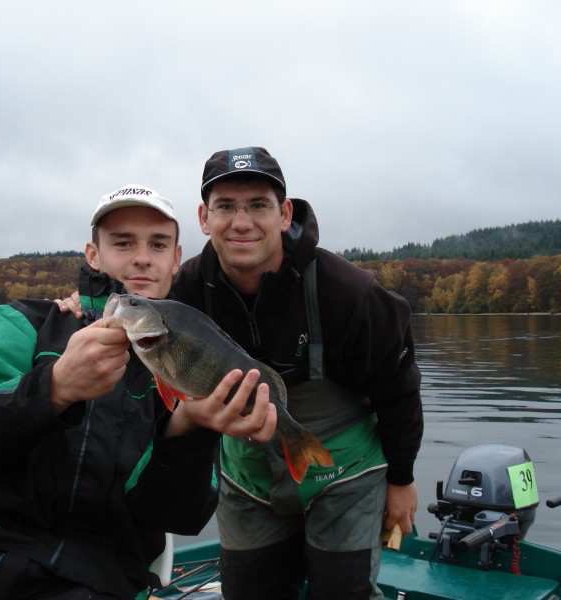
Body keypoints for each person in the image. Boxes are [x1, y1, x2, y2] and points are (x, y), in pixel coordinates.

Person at [0, 184, 276, 600]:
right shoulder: (21, 323)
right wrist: (53, 387)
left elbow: (177, 514)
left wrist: (190, 430)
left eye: (157, 245)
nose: (142, 258)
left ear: (176, 259)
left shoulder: (177, 369)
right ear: (93, 254)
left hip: (95, 576)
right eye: (122, 243)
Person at [169, 147, 423, 600]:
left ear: (284, 214)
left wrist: (401, 479)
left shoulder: (349, 292)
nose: (241, 222)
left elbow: (399, 390)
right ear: (204, 218)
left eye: (258, 205)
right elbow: (127, 300)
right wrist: (78, 304)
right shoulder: (185, 290)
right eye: (225, 206)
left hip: (346, 472)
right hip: (247, 477)